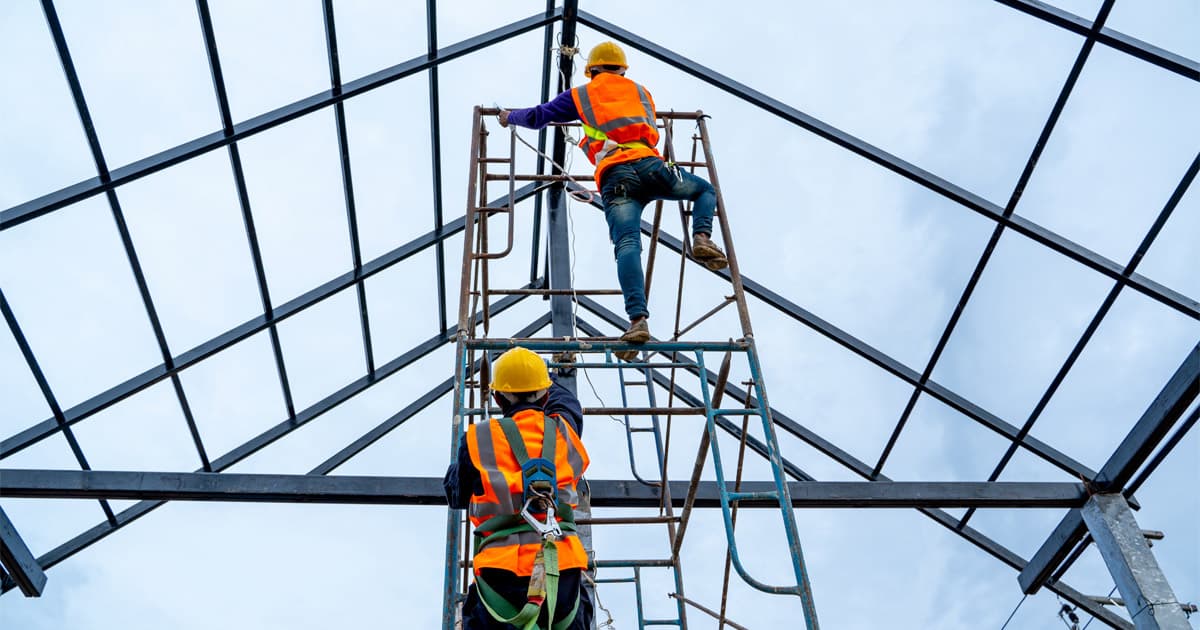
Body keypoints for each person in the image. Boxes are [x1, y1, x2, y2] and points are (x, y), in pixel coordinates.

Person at [500, 41, 728, 358]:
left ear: (592, 70)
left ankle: (638, 320)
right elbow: (650, 136)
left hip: (615, 176)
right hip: (654, 164)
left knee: (627, 244)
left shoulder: (582, 94)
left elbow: (540, 116)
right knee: (704, 188)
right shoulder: (641, 92)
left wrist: (508, 116)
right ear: (622, 69)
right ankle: (702, 236)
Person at [444, 347, 593, 630]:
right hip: (563, 570)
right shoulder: (565, 432)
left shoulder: (479, 438)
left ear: (498, 398)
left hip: (500, 578)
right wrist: (543, 374)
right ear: (546, 395)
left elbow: (456, 494)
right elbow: (568, 403)